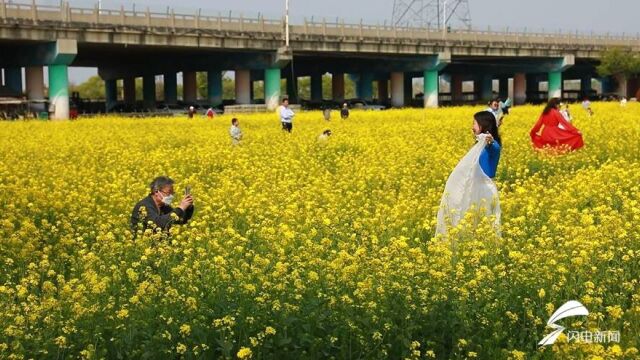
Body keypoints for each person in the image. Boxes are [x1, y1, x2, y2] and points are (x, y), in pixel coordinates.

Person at [436, 111, 501, 236]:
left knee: (485, 224)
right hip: (473, 189)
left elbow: (494, 148)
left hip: (484, 191)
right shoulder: (479, 145)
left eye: (474, 124)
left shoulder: (491, 145)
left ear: (483, 125)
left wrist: (491, 141)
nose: (472, 127)